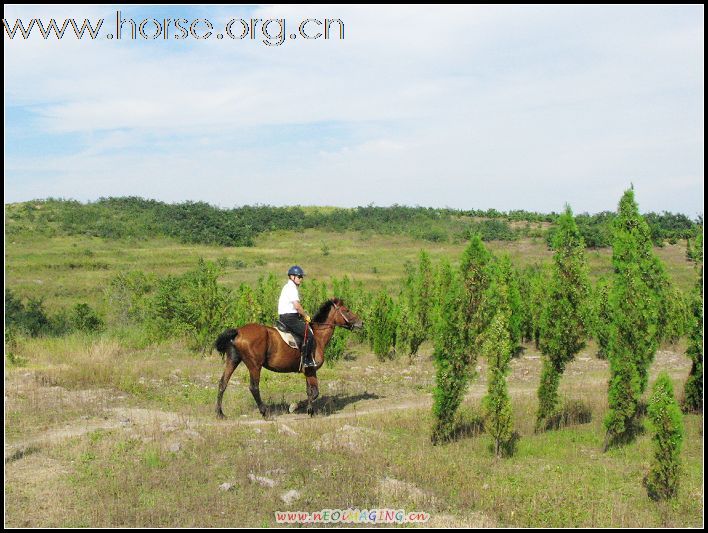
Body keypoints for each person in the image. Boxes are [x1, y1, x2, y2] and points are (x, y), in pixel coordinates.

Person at [278, 265, 316, 368]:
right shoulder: (291, 288)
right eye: (299, 277)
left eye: (301, 277)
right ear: (292, 277)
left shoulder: (287, 287)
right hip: (290, 319)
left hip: (285, 317)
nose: (300, 279)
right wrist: (305, 316)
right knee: (309, 335)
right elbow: (297, 306)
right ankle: (307, 361)